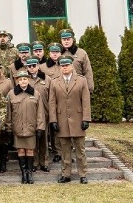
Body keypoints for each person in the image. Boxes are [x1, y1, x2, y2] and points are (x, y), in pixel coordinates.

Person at [49, 55, 91, 184]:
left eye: (67, 65)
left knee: (80, 150)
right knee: (65, 150)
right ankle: (65, 174)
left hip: (78, 120)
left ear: (72, 66)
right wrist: (53, 120)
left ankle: (83, 174)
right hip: (62, 120)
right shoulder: (55, 82)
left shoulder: (81, 80)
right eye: (62, 65)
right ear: (60, 67)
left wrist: (86, 119)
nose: (65, 67)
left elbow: (86, 101)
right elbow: (52, 103)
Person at [7, 70, 46, 184]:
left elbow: (40, 112)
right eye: (20, 79)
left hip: (31, 128)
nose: (23, 81)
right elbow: (8, 112)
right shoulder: (11, 94)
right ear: (17, 81)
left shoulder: (35, 93)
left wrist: (40, 127)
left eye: (25, 79)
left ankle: (30, 173)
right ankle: (23, 173)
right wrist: (9, 127)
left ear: (28, 80)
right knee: (20, 150)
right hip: (18, 128)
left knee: (29, 150)